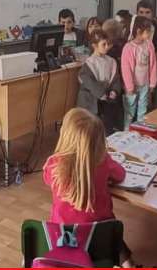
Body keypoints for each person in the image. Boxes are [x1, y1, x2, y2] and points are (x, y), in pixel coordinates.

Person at [42, 108, 134, 267]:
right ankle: (128, 264)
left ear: (65, 136)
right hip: (100, 236)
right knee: (112, 234)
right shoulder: (103, 161)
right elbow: (120, 174)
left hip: (63, 237)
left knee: (106, 232)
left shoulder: (53, 165)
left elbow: (47, 179)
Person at [77, 30, 123, 134]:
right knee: (91, 128)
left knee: (107, 126)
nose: (107, 47)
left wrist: (114, 91)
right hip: (92, 100)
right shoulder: (89, 63)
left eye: (108, 44)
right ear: (94, 46)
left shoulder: (111, 61)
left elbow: (115, 79)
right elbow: (89, 82)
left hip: (106, 99)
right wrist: (101, 93)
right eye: (103, 44)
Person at [121, 16, 157, 126]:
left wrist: (152, 83)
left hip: (144, 85)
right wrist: (130, 87)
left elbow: (153, 64)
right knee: (130, 112)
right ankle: (127, 131)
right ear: (138, 31)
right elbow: (125, 69)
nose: (149, 34)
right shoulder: (128, 47)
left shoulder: (149, 45)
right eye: (147, 31)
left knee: (143, 110)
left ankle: (141, 129)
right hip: (132, 86)